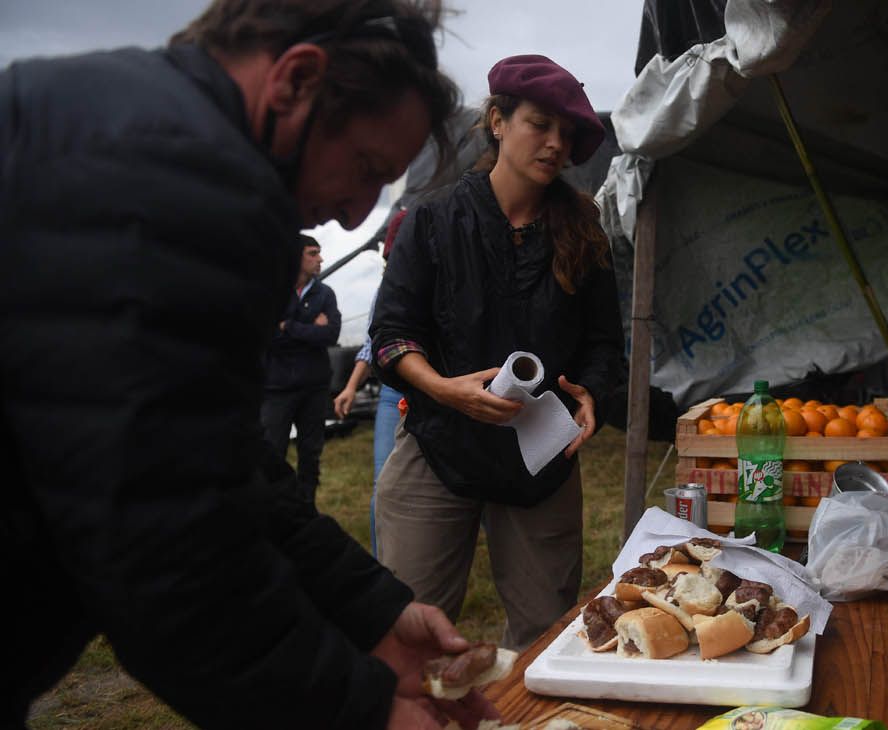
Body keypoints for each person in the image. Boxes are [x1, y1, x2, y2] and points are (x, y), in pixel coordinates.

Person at [0, 1, 499, 728]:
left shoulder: (87, 119)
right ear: (295, 80)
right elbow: (167, 549)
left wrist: (369, 609)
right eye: (364, 169)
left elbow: (204, 455)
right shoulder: (185, 183)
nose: (356, 217)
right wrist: (359, 712)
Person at [370, 55, 625, 652]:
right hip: (438, 444)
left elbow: (605, 345)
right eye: (540, 124)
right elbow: (391, 333)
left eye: (567, 133)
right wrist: (439, 387)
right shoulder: (432, 219)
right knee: (409, 629)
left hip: (541, 457)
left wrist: (593, 394)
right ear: (498, 121)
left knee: (547, 635)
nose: (555, 143)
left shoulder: (584, 230)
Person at [334, 208, 410, 554]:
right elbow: (371, 345)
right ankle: (385, 567)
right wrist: (350, 387)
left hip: (443, 392)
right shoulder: (387, 288)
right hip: (393, 392)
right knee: (385, 485)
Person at [263, 234, 341, 501]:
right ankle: (273, 507)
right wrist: (310, 330)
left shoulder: (324, 293)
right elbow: (265, 335)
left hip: (314, 386)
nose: (320, 259)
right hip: (277, 387)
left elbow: (331, 335)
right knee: (273, 451)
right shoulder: (271, 290)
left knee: (311, 452)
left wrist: (289, 327)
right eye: (312, 253)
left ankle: (306, 507)